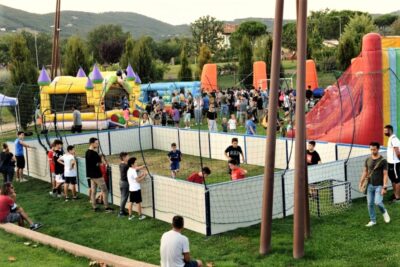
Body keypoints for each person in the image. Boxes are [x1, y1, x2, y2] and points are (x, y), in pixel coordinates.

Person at [359, 142, 390, 227]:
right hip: (369, 185)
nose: (372, 151)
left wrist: (385, 187)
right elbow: (365, 172)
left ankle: (384, 212)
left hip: (379, 185)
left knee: (378, 202)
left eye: (374, 149)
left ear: (378, 149)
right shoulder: (367, 159)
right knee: (370, 204)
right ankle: (373, 220)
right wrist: (361, 182)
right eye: (371, 149)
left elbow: (385, 174)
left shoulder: (383, 161)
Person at [85, 137, 113, 212]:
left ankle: (94, 207)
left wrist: (99, 156)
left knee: (93, 191)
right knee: (105, 190)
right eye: (96, 143)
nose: (98, 144)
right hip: (97, 175)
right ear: (92, 143)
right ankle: (106, 207)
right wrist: (101, 158)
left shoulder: (87, 152)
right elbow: (99, 163)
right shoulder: (94, 153)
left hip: (91, 175)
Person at [384, 125, 400, 202]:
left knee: (397, 180)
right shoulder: (390, 139)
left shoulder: (394, 139)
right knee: (393, 179)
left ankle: (397, 198)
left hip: (394, 164)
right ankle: (395, 194)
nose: (384, 132)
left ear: (390, 130)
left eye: (385, 130)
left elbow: (397, 152)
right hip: (390, 163)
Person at [118, 152, 129, 217]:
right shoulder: (126, 166)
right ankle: (121, 212)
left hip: (121, 182)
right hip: (125, 183)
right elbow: (134, 169)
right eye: (127, 157)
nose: (129, 158)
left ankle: (122, 210)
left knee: (123, 197)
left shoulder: (121, 164)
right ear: (124, 158)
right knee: (124, 197)